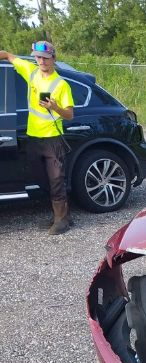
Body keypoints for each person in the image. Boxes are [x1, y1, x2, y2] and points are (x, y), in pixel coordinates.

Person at [0, 42, 75, 235]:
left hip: (53, 138)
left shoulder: (61, 85)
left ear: (53, 59)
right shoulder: (31, 72)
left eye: (45, 58)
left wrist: (55, 107)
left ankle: (61, 220)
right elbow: (8, 54)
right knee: (40, 177)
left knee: (56, 179)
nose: (41, 61)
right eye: (38, 57)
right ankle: (62, 214)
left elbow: (69, 115)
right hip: (33, 137)